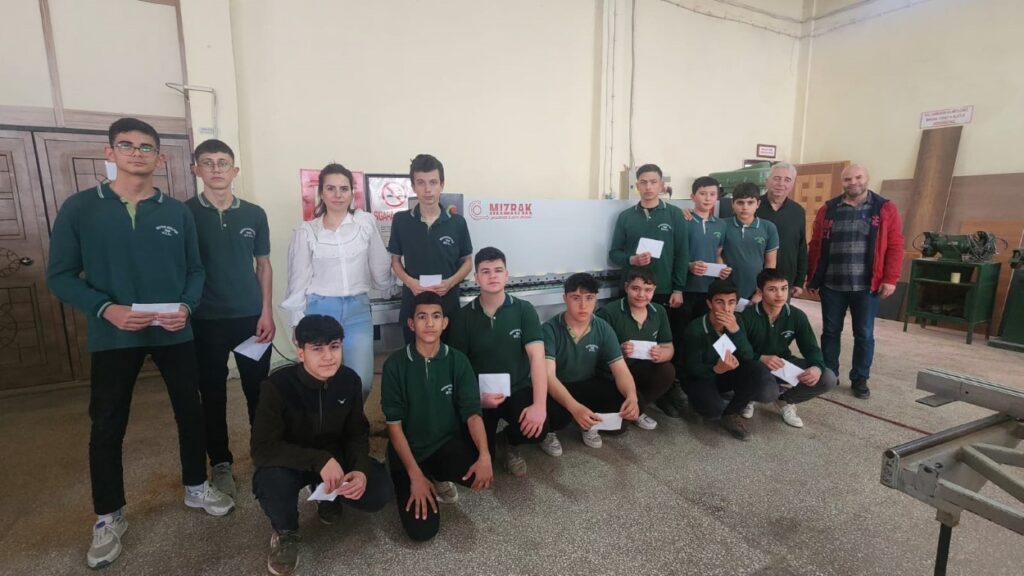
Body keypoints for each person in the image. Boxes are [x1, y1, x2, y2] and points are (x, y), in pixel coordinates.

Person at [47, 118, 234, 569]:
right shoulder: (81, 208)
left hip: (173, 329)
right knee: (108, 422)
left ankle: (196, 485)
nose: (137, 153)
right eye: (127, 146)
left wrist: (186, 307)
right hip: (115, 332)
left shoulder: (176, 213)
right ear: (110, 153)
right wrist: (105, 309)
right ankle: (109, 515)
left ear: (160, 158)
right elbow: (60, 276)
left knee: (191, 410)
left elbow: (195, 270)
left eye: (146, 147)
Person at [251, 315, 392, 576]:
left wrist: (360, 470)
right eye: (317, 349)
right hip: (292, 461)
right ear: (301, 353)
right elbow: (262, 449)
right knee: (272, 482)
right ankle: (286, 532)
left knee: (378, 491)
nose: (328, 356)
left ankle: (326, 493)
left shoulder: (349, 381)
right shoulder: (277, 387)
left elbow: (357, 433)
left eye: (334, 346)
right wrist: (319, 460)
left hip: (334, 456)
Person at [186, 138, 274, 498]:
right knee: (212, 393)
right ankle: (220, 462)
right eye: (208, 163)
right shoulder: (184, 213)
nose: (216, 169)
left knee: (259, 391)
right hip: (205, 320)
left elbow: (263, 265)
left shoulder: (254, 214)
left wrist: (266, 311)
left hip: (250, 319)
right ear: (196, 169)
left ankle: (264, 453)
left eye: (223, 163)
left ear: (235, 170)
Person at [381, 292, 493, 542]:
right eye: (422, 317)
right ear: (411, 324)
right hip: (408, 452)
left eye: (436, 316)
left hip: (443, 444)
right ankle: (413, 475)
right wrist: (415, 476)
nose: (429, 323)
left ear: (445, 322)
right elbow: (394, 427)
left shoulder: (458, 361)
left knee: (482, 469)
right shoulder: (394, 365)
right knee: (422, 531)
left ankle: (438, 475)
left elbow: (472, 413)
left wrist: (484, 455)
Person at [281, 163, 392, 400]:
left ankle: (349, 419)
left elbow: (380, 263)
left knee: (361, 382)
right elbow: (298, 280)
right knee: (321, 379)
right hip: (319, 310)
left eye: (344, 188)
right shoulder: (307, 232)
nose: (338, 195)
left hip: (357, 311)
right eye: (331, 188)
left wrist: (391, 286)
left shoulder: (365, 223)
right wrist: (296, 323)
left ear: (352, 192)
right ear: (321, 193)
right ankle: (327, 423)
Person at [448, 247, 548, 477]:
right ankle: (491, 443)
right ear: (476, 277)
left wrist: (539, 406)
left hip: (517, 388)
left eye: (498, 270)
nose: (492, 276)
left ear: (507, 275)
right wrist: (475, 399)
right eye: (485, 271)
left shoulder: (524, 310)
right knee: (474, 455)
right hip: (480, 395)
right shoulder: (463, 317)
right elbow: (458, 369)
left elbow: (537, 358)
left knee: (539, 428)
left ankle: (510, 442)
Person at [807, 164, 904, 399]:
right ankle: (830, 374)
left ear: (867, 178)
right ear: (843, 182)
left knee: (864, 334)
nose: (853, 182)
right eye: (848, 179)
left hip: (866, 286)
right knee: (830, 332)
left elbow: (895, 244)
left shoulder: (884, 208)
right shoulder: (828, 209)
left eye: (858, 177)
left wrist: (890, 278)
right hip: (832, 285)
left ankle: (860, 378)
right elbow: (816, 244)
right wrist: (812, 276)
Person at [608, 164, 690, 416]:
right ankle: (627, 391)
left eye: (653, 182)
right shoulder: (626, 217)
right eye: (643, 182)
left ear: (662, 185)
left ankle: (661, 392)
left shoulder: (674, 215)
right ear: (637, 185)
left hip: (662, 290)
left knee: (661, 344)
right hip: (632, 288)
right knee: (626, 342)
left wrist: (678, 288)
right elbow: (614, 253)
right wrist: (631, 259)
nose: (648, 187)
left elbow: (682, 253)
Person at [542, 273, 640, 453]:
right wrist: (574, 408)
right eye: (576, 298)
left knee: (621, 408)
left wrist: (632, 396)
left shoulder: (603, 328)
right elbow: (548, 377)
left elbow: (620, 370)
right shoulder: (549, 329)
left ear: (596, 299)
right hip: (556, 386)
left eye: (589, 298)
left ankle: (588, 423)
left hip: (585, 382)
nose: (583, 305)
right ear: (565, 298)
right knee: (556, 415)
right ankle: (550, 431)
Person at [388, 154, 473, 343]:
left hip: (448, 307)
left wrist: (450, 282)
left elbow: (468, 262)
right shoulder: (401, 221)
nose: (427, 190)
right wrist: (410, 282)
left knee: (450, 356)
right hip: (414, 307)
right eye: (421, 183)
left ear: (442, 184)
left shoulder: (457, 223)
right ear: (413, 186)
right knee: (415, 358)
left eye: (433, 182)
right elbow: (395, 261)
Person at [741, 268, 838, 428]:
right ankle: (748, 397)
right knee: (767, 392)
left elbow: (811, 348)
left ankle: (785, 400)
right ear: (760, 291)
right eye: (772, 289)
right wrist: (760, 357)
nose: (780, 294)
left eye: (784, 288)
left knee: (828, 378)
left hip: (781, 365)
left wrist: (816, 367)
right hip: (753, 365)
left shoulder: (796, 316)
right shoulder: (747, 316)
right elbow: (736, 349)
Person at [680, 279, 775, 441]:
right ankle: (697, 402)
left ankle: (731, 413)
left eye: (731, 302)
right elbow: (691, 368)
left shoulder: (737, 321)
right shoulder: (696, 329)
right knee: (712, 410)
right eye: (720, 302)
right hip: (700, 377)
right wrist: (716, 369)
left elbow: (748, 355)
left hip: (725, 374)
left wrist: (736, 331)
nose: (726, 308)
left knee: (757, 370)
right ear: (709, 304)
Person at [595, 267, 675, 430]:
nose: (641, 295)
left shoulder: (659, 311)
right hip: (612, 374)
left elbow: (668, 347)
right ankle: (630, 409)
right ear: (626, 287)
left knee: (666, 371)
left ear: (654, 290)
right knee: (617, 429)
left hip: (639, 369)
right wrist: (618, 351)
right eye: (635, 288)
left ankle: (638, 408)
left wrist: (661, 354)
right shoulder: (608, 312)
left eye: (648, 290)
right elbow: (594, 352)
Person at [756, 163, 808, 298]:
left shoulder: (798, 211)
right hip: (754, 279)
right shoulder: (753, 207)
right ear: (767, 181)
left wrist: (799, 281)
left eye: (787, 180)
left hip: (784, 282)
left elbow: (801, 247)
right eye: (777, 178)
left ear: (793, 184)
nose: (781, 184)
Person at [721, 182, 779, 302]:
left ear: (758, 204)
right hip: (726, 289)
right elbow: (716, 253)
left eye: (750, 202)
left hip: (756, 290)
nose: (745, 207)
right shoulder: (722, 225)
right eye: (740, 202)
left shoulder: (769, 227)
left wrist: (760, 291)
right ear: (732, 204)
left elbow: (770, 263)